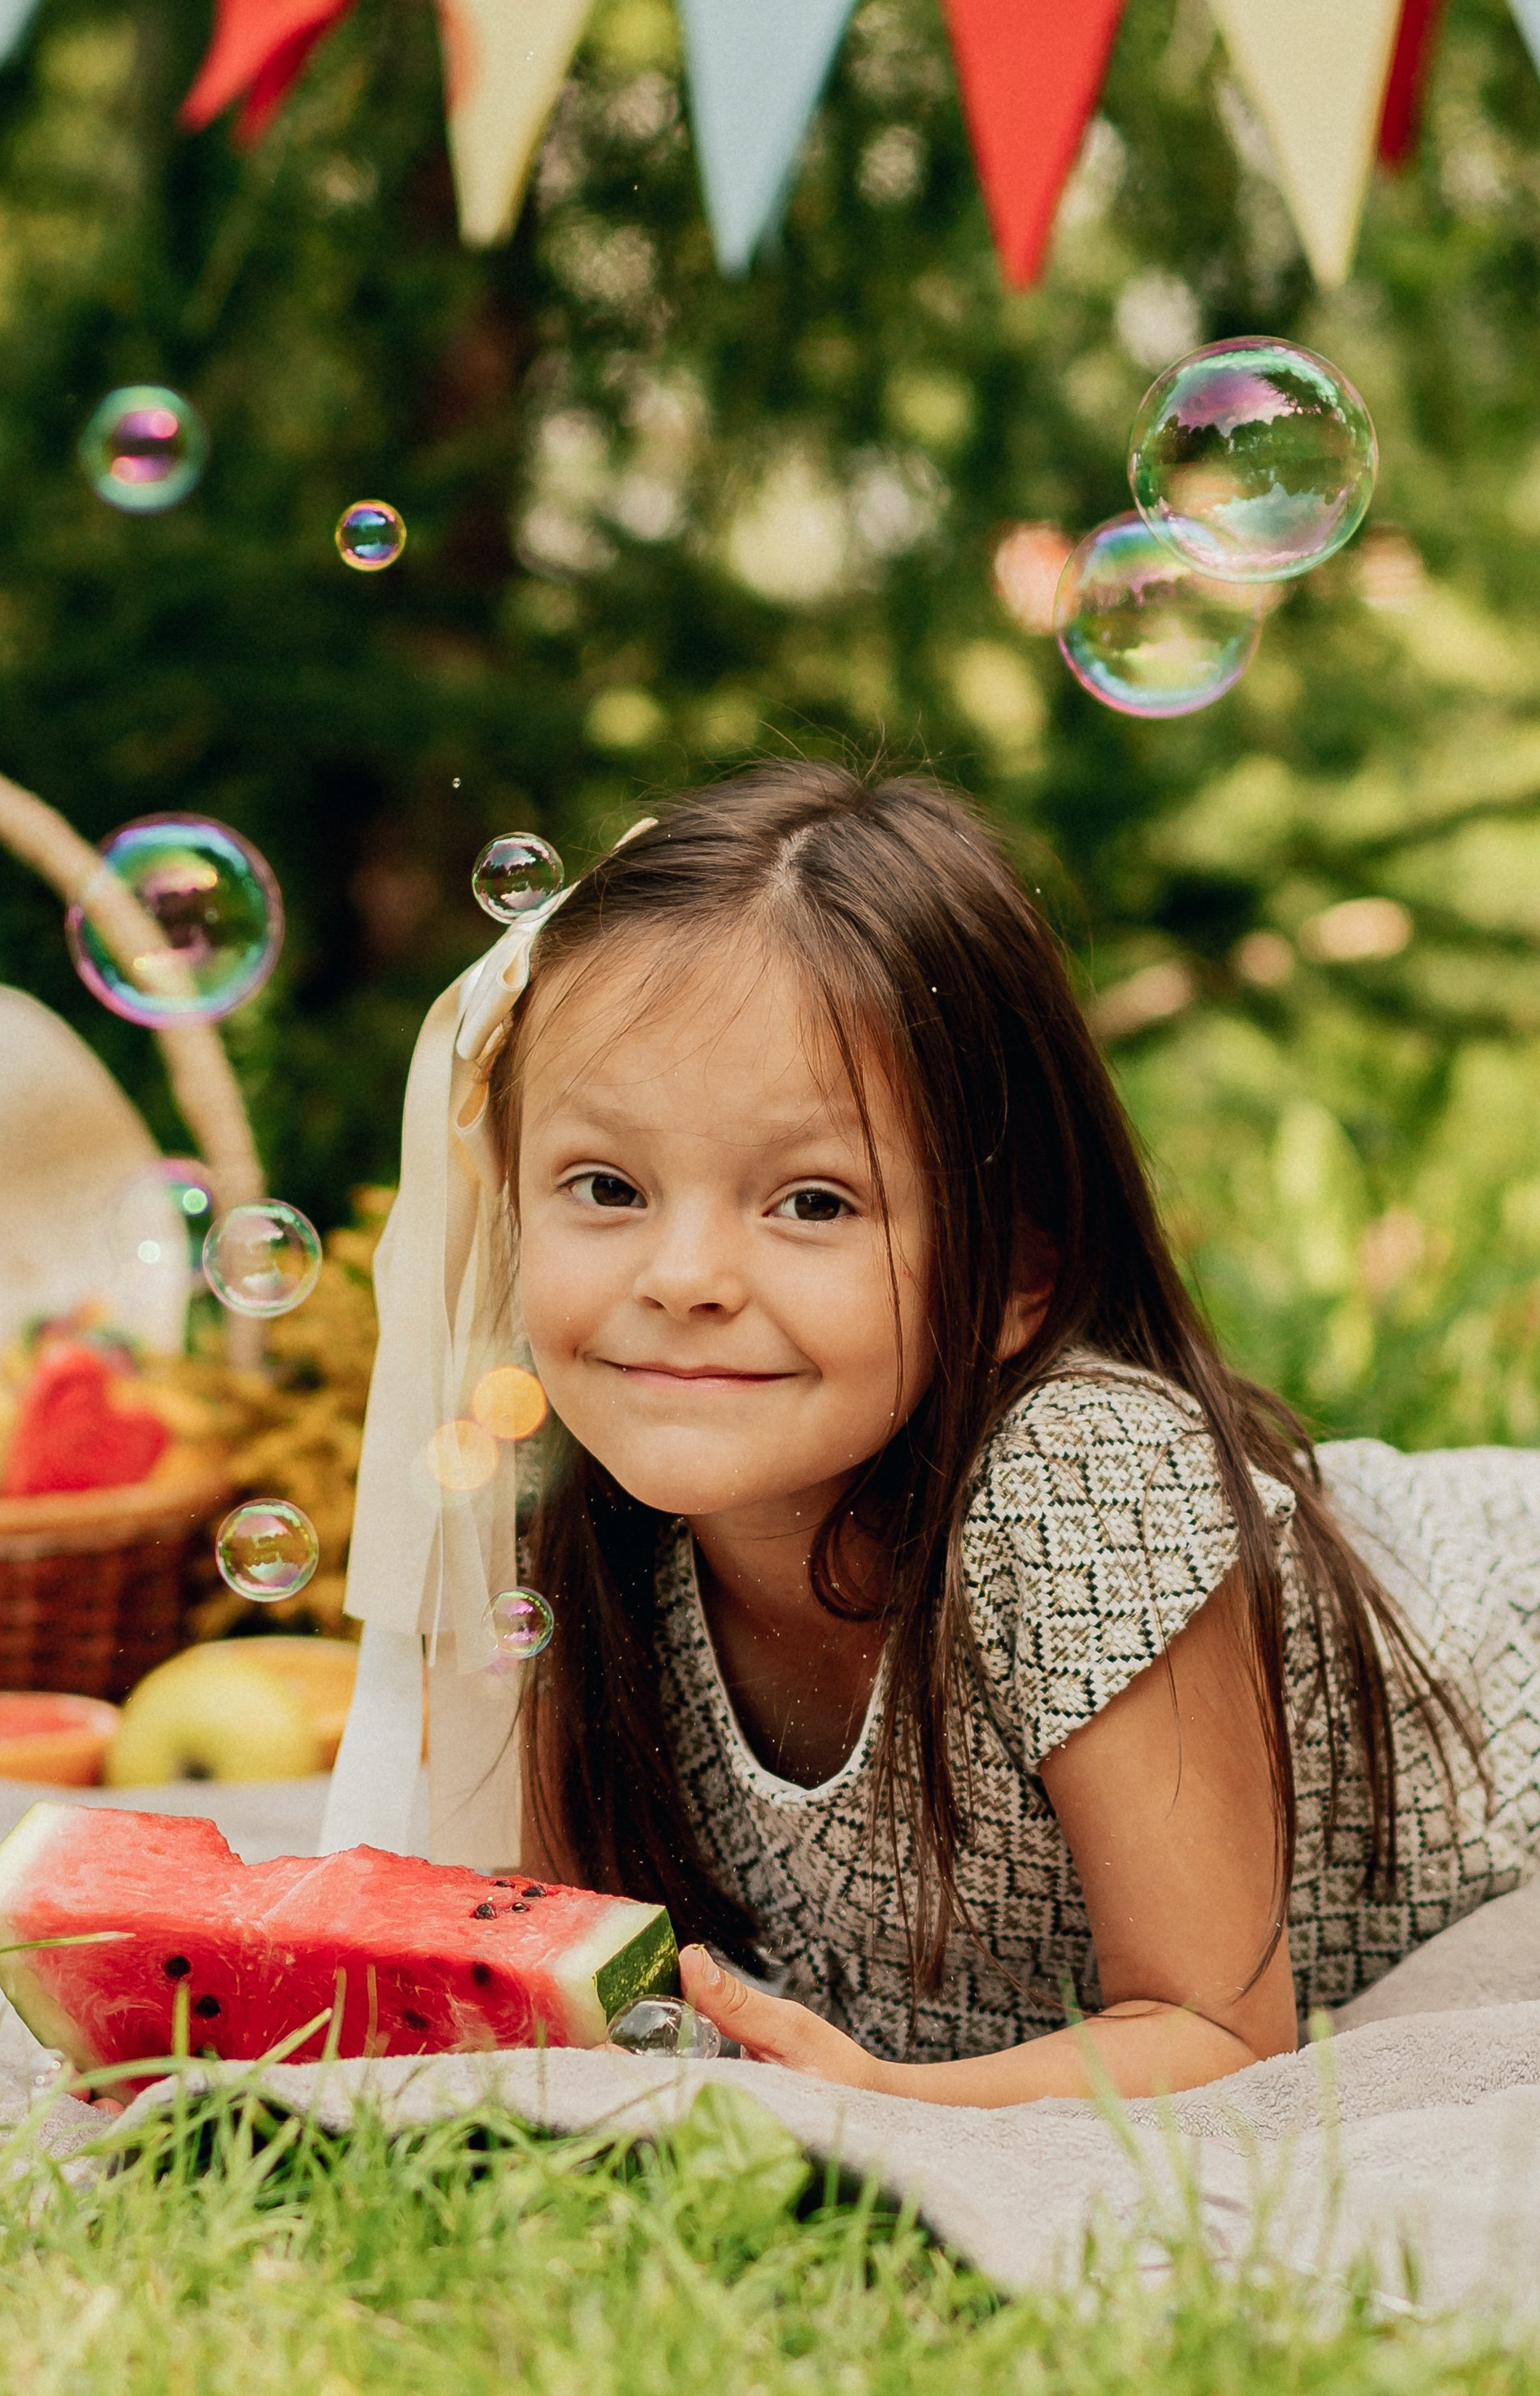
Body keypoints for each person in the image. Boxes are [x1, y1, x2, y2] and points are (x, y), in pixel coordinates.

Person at [328, 761, 1540, 2107]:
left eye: (813, 1202)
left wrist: (881, 2101)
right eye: (607, 1186)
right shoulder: (567, 1514)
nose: (682, 1276)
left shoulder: (1084, 1489)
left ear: (1018, 1270)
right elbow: (552, 1967)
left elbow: (1212, 2031)